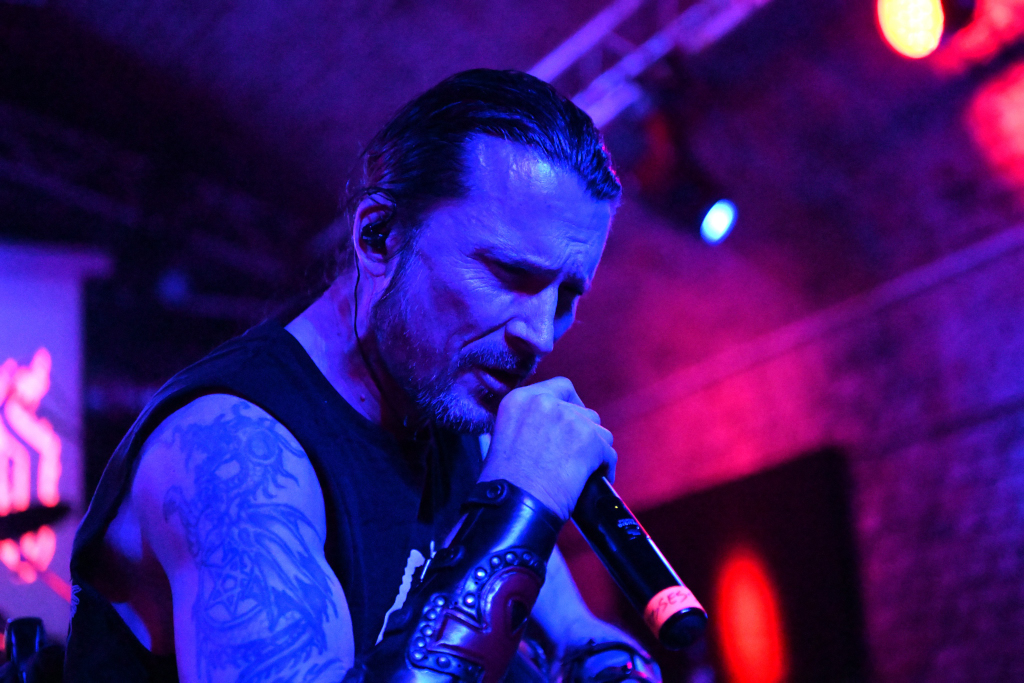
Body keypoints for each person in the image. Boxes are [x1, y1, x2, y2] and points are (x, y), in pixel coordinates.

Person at [65, 69, 661, 683]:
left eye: (565, 297)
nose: (539, 334)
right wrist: (518, 504)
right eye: (509, 275)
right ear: (379, 237)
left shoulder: (457, 419)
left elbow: (573, 633)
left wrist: (611, 665)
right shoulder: (233, 453)